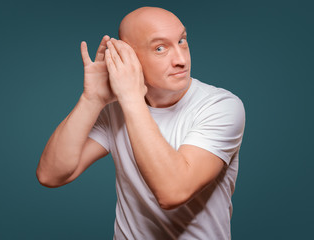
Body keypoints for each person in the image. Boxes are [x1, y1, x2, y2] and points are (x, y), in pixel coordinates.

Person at [36, 6, 245, 240]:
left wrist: (131, 97)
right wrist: (92, 99)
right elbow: (51, 175)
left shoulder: (221, 106)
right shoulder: (116, 109)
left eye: (182, 41)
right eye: (160, 48)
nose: (180, 59)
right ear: (128, 58)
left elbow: (172, 192)